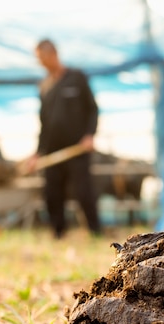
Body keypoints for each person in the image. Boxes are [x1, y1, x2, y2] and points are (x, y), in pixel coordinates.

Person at [27, 38, 101, 238]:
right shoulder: (44, 86)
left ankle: (95, 231)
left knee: (83, 192)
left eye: (43, 58)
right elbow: (44, 124)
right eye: (38, 59)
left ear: (53, 55)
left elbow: (92, 109)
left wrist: (89, 135)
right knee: (52, 194)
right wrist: (38, 152)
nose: (41, 63)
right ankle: (58, 233)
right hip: (53, 152)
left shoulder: (77, 78)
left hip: (77, 148)